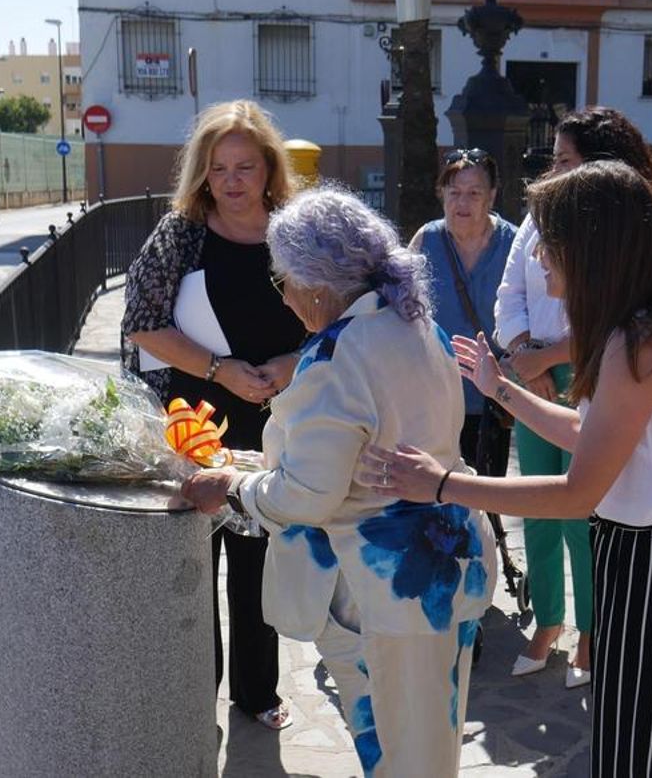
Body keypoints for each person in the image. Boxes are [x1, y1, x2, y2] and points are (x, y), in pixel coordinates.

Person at [359, 160, 652, 777]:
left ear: (595, 246)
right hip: (649, 552)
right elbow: (592, 438)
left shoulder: (638, 342)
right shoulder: (632, 328)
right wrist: (503, 388)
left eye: (549, 244)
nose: (538, 259)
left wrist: (440, 485)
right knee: (630, 749)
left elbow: (577, 490)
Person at [179, 188, 496, 777]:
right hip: (442, 569)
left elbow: (308, 494)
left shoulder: (336, 354)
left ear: (317, 284)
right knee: (431, 745)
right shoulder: (410, 323)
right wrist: (249, 465)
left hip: (382, 591)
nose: (287, 299)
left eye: (285, 283)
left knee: (400, 758)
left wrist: (232, 487)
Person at [122, 99, 303, 732]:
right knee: (197, 558)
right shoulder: (180, 233)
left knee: (260, 556)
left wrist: (287, 365)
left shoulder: (295, 232)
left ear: (268, 169)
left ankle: (258, 692)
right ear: (202, 171)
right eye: (219, 167)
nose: (231, 180)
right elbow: (143, 325)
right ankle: (198, 690)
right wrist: (221, 368)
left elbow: (340, 317)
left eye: (245, 167)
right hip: (193, 416)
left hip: (278, 414)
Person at [493, 106, 652, 688]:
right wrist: (522, 356)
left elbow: (614, 319)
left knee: (581, 514)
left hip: (586, 374)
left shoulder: (622, 230)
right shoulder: (538, 221)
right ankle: (548, 621)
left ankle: (592, 632)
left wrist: (551, 357)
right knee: (536, 513)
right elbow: (509, 291)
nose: (553, 170)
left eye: (566, 160)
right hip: (533, 378)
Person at [409, 149, 518, 477]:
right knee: (437, 500)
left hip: (493, 400)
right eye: (453, 192)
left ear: (492, 196)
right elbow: (399, 310)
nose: (462, 203)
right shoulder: (426, 240)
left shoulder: (513, 243)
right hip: (435, 400)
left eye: (474, 193)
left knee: (488, 503)